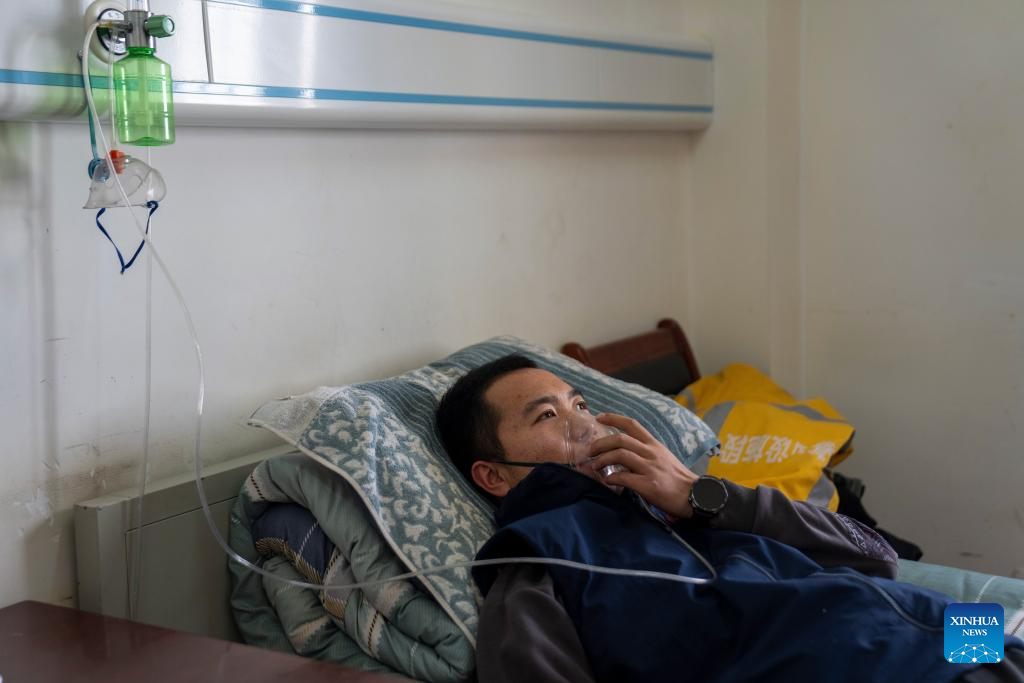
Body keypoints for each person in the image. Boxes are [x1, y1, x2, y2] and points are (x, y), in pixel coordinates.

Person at [435, 354, 1024, 683]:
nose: (585, 423)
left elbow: (876, 558)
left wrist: (700, 495)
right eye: (547, 416)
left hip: (955, 638)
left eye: (581, 403)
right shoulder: (542, 567)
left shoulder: (682, 502)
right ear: (493, 476)